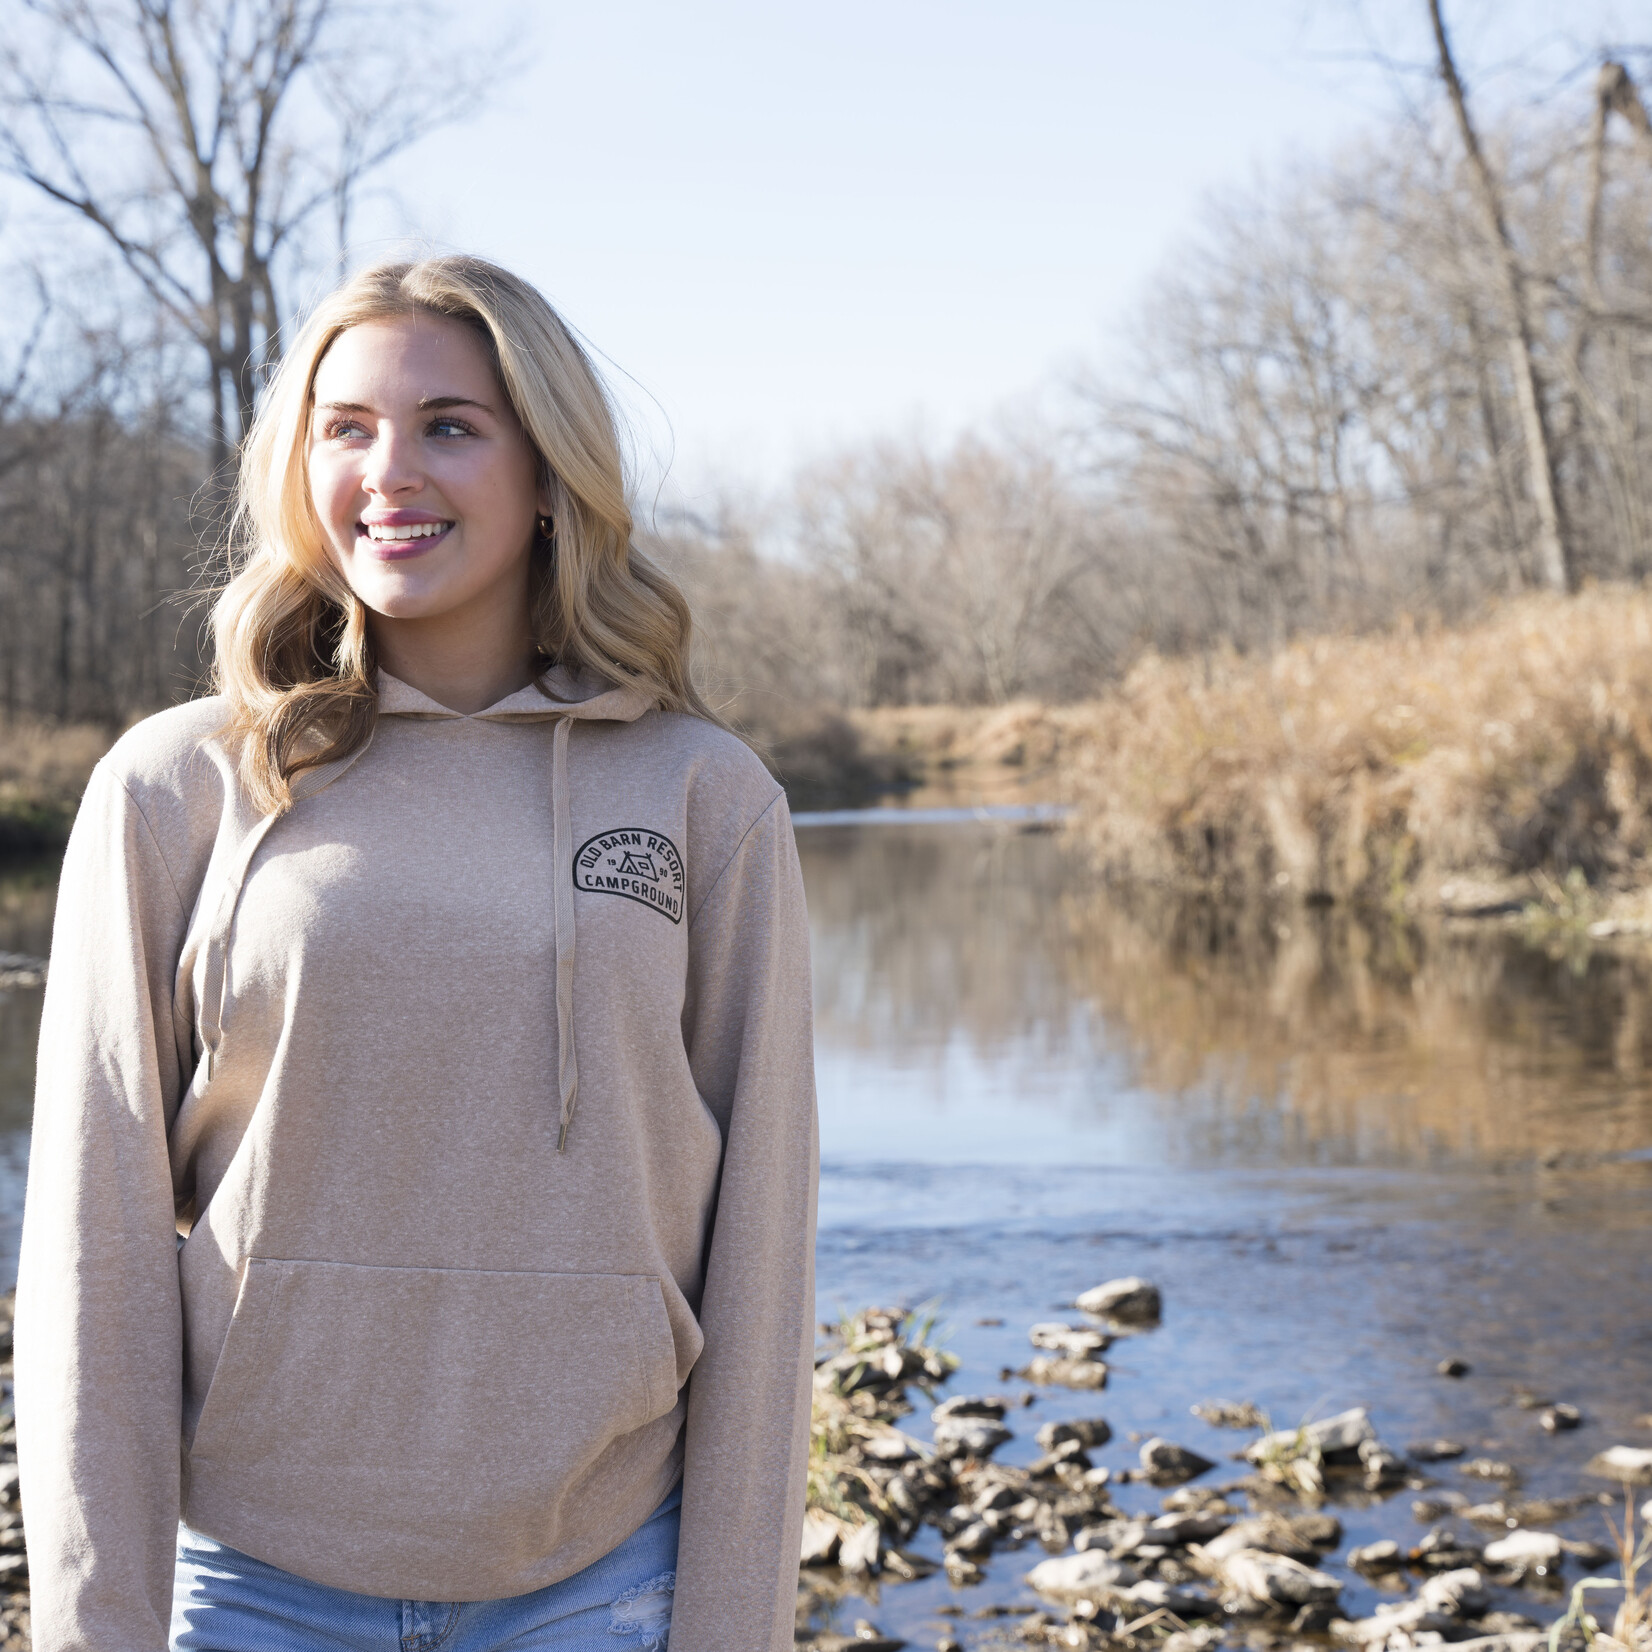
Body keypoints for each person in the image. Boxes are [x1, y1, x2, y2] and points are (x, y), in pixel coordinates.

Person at [14, 256, 819, 1652]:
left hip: (604, 1578)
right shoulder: (178, 788)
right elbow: (94, 1247)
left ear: (550, 469)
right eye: (348, 426)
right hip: (256, 1580)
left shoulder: (702, 795)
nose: (391, 469)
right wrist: (100, 1621)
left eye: (451, 422)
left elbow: (765, 1250)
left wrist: (732, 1621)